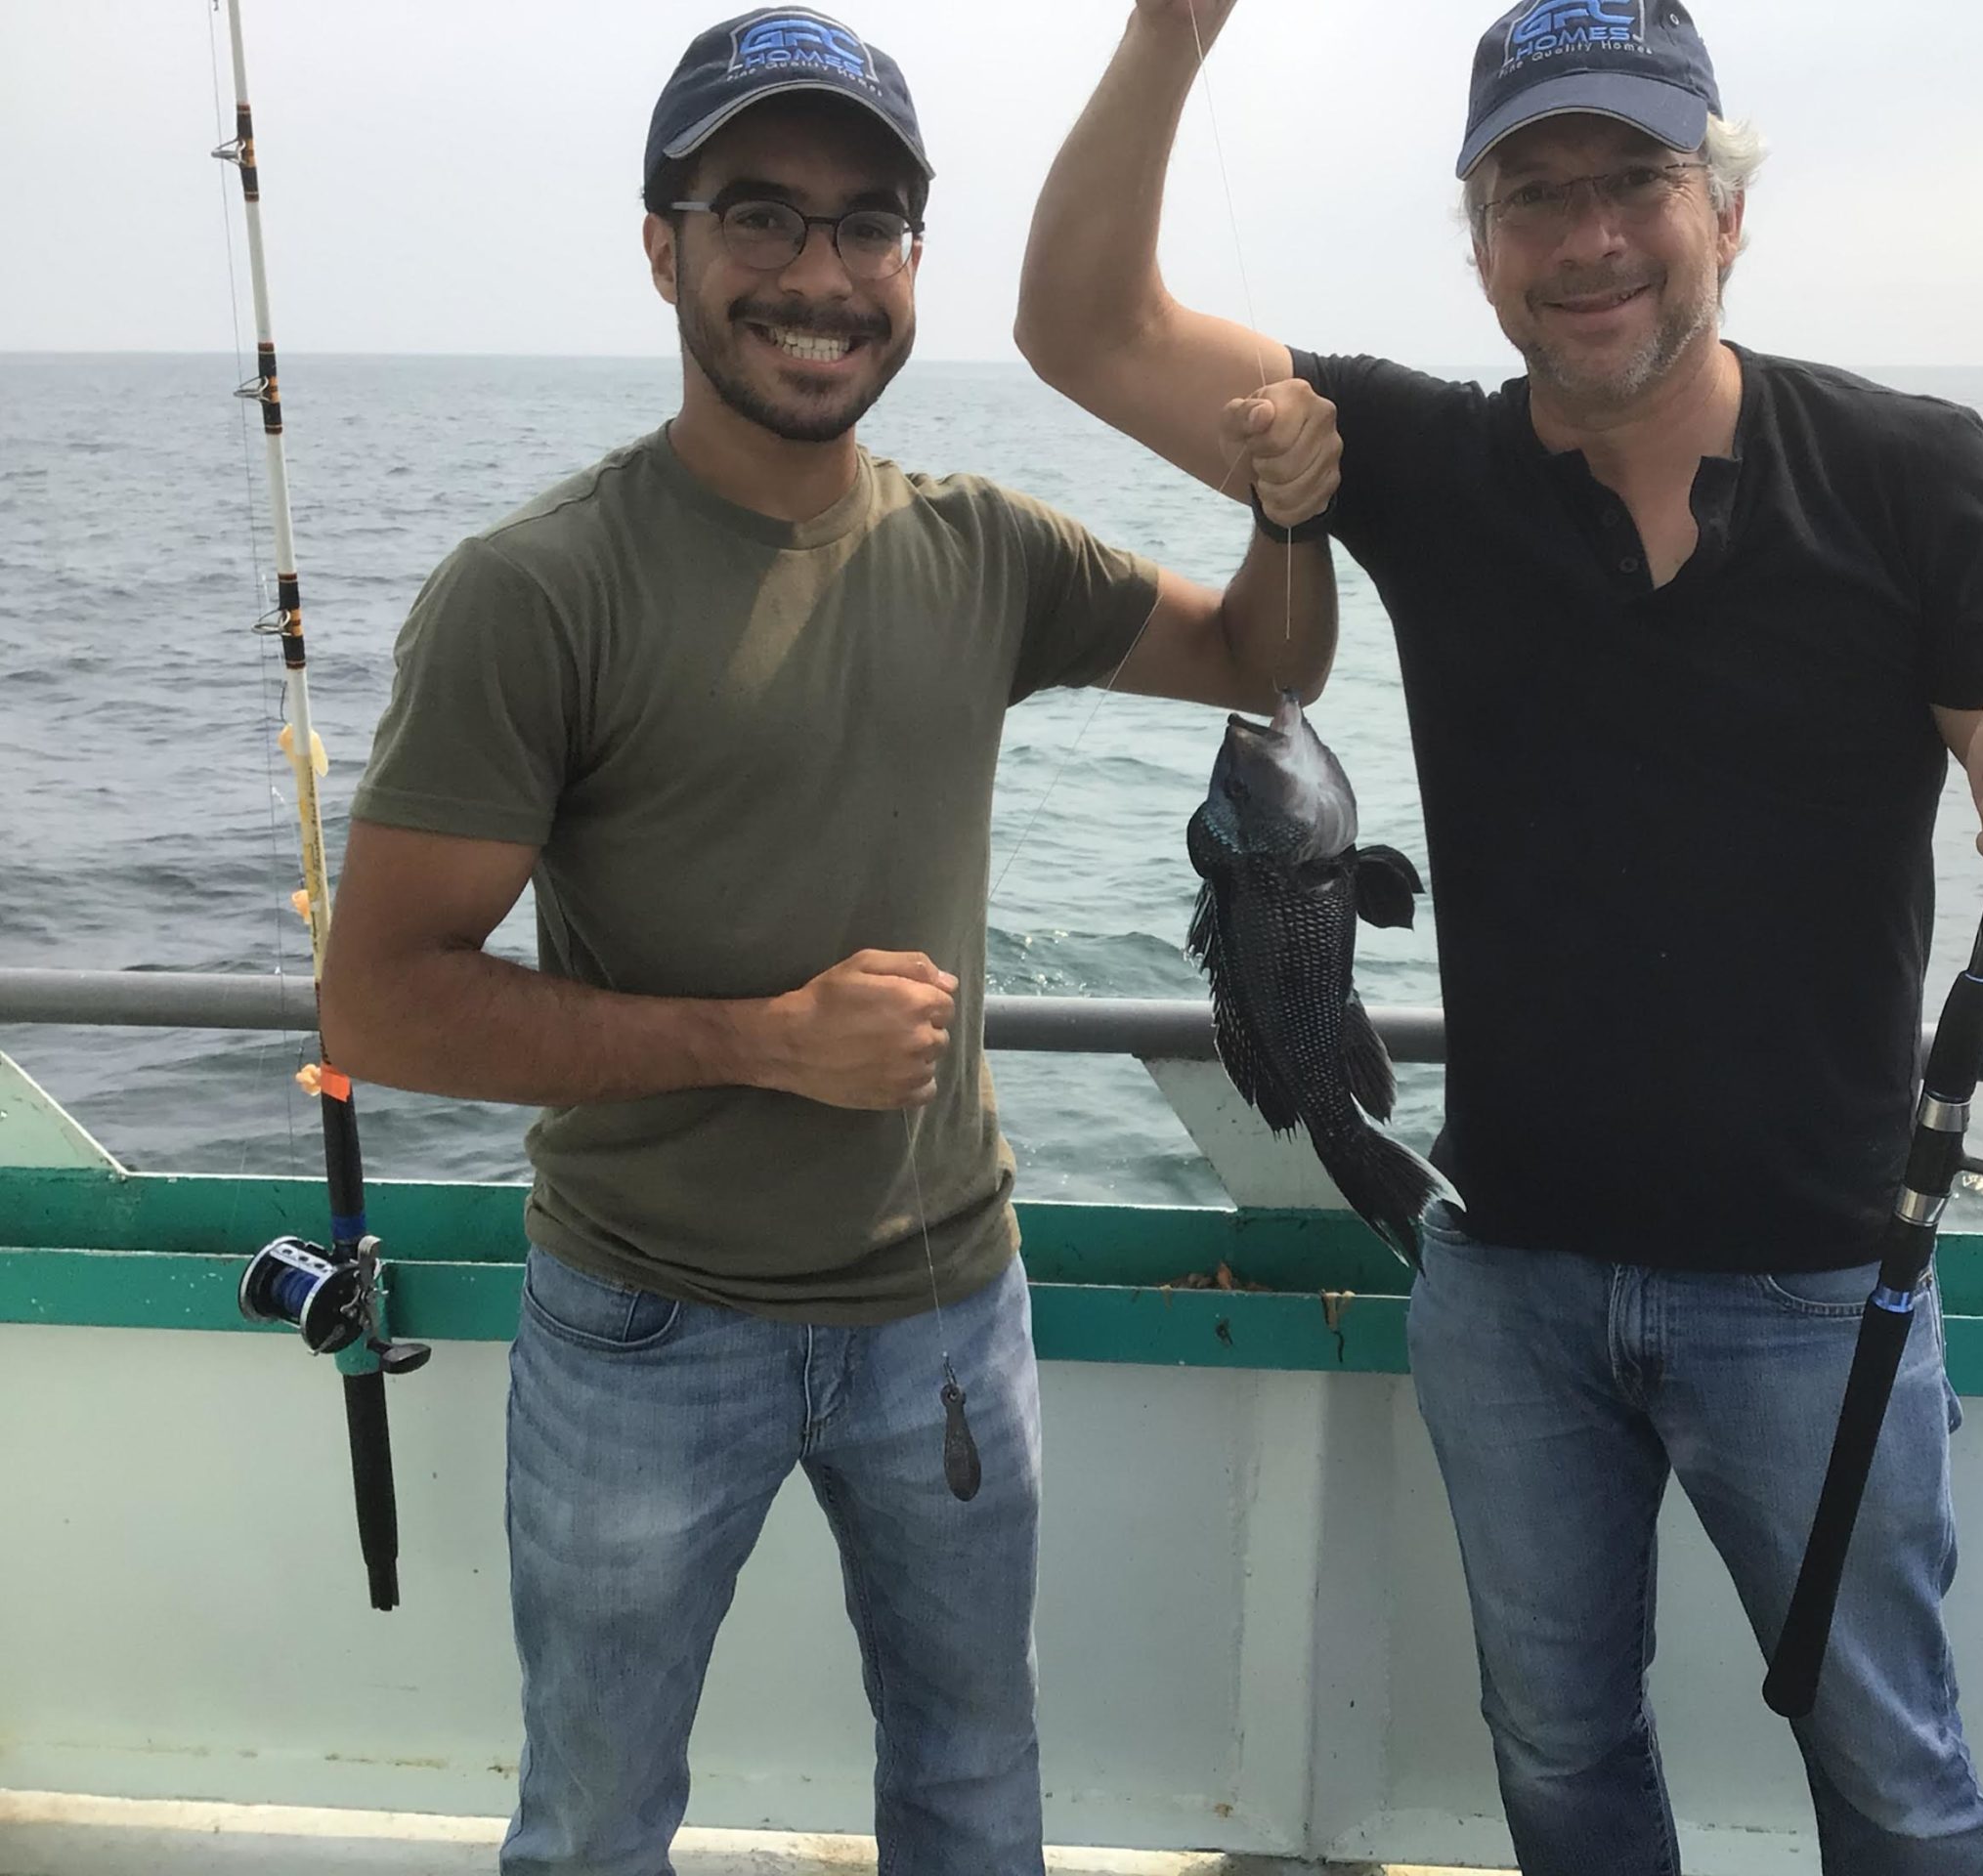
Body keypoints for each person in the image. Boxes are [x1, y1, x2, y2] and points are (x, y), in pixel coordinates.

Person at [1015, 2, 1983, 1871]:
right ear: (1480, 246)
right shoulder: (1415, 460)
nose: (1588, 236)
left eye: (1634, 180)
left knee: (1893, 1764)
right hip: (1508, 1274)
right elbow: (1081, 326)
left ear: (1724, 211)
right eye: (1531, 194)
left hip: (1815, 1282)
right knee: (1555, 1753)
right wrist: (1167, 34)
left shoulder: (1908, 468)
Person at [319, 10, 1343, 1873]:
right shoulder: (535, 591)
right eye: (760, 216)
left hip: (947, 1307)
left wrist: (1293, 508)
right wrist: (760, 1039)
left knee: (971, 1796)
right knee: (596, 1818)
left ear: (912, 264)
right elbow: (381, 999)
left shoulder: (986, 551)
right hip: (640, 1317)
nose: (820, 273)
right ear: (665, 245)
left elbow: (1267, 662)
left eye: (870, 224)